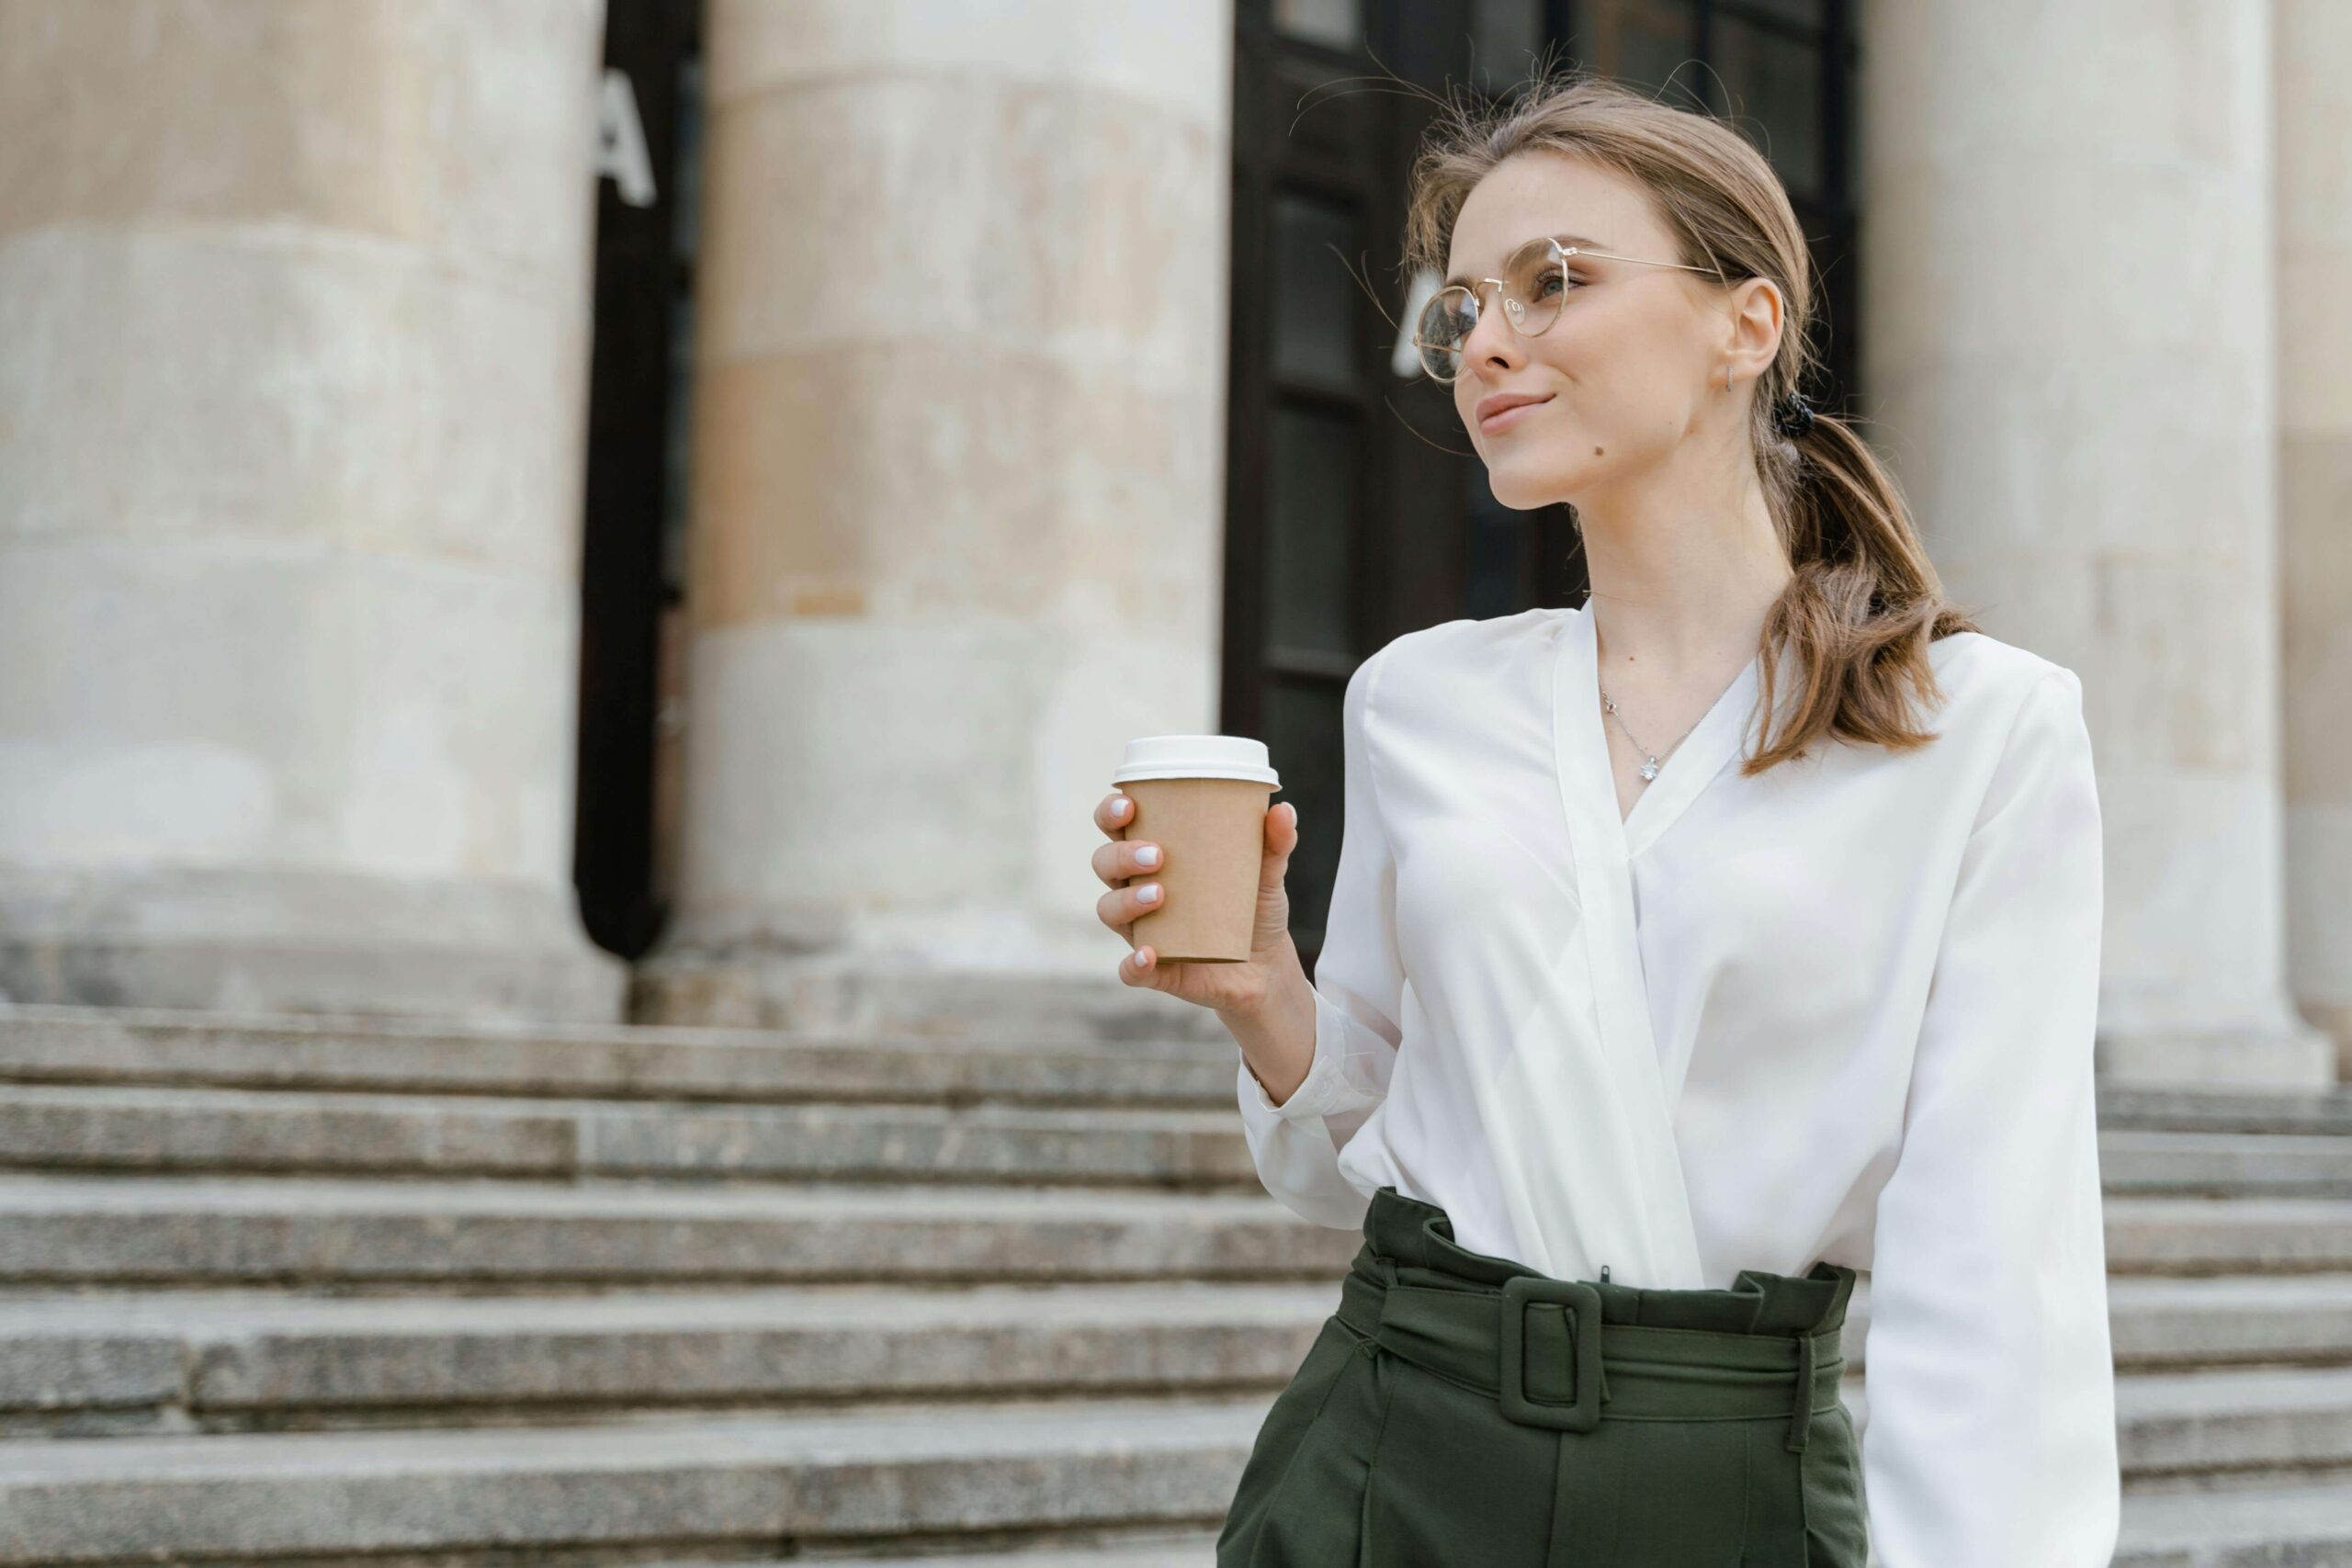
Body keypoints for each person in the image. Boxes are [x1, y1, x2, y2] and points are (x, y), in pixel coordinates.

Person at [1089, 69, 2119, 1568]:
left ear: (1744, 325)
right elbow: (1355, 1161)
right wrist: (1267, 997)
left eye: (1554, 282)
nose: (1484, 342)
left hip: (1734, 1482)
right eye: (1462, 309)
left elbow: (1998, 1263)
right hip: (1390, 1449)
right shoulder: (1418, 702)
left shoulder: (1981, 731)